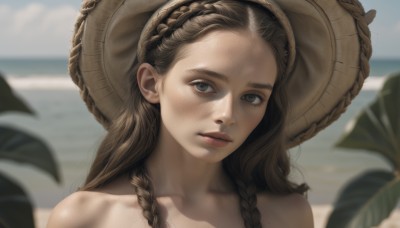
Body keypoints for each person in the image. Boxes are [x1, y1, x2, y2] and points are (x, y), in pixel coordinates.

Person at [47, 0, 374, 227]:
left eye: (252, 96)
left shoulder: (288, 216)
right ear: (150, 83)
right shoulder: (83, 219)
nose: (227, 114)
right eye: (204, 86)